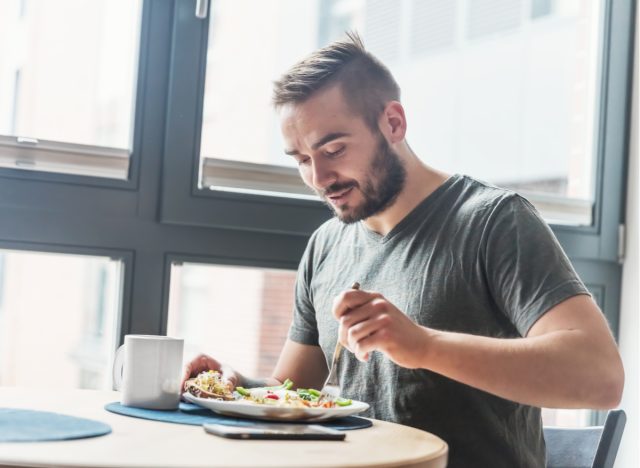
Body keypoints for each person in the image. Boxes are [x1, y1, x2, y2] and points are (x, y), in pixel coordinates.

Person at [182, 33, 624, 467]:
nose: (319, 177)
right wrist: (236, 387)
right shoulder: (326, 245)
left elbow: (599, 377)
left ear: (393, 123)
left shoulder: (495, 221)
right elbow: (292, 390)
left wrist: (424, 346)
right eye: (300, 159)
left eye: (333, 149)